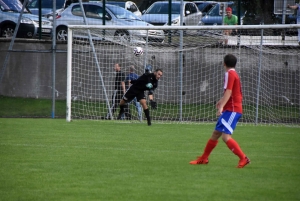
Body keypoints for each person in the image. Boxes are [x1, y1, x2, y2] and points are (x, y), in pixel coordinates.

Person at [190, 54, 250, 168]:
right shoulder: (233, 73)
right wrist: (221, 101)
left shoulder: (229, 74)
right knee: (215, 133)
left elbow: (229, 91)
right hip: (230, 108)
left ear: (224, 63)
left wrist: (221, 106)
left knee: (225, 137)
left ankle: (243, 158)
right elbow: (229, 92)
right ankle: (204, 158)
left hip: (232, 110)